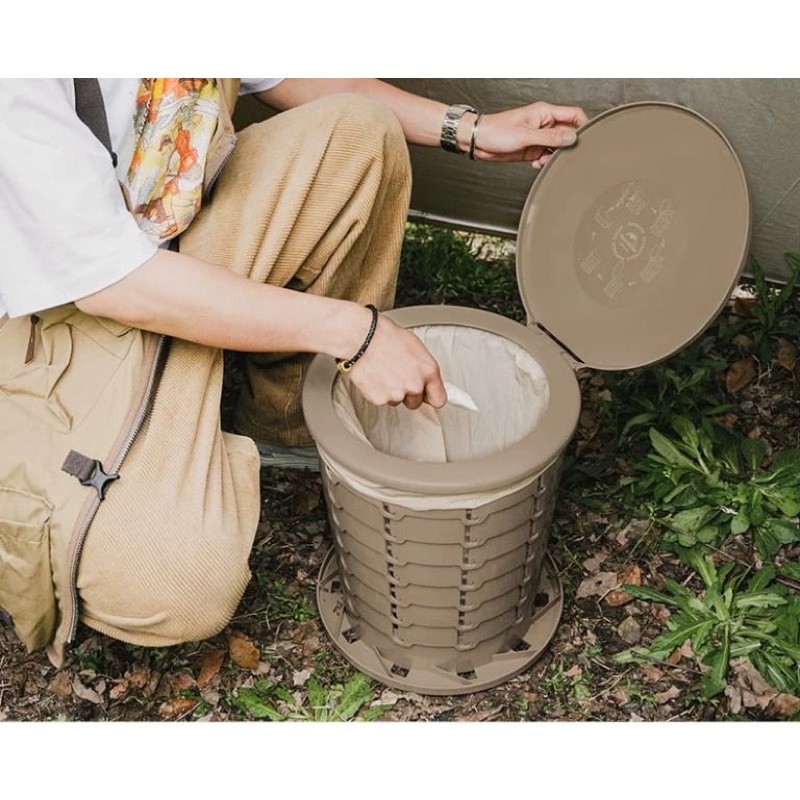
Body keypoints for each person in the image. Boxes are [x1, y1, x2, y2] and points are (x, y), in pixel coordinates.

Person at [0, 79, 588, 661]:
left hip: (167, 230)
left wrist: (471, 130)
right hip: (67, 310)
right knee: (181, 583)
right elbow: (113, 283)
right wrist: (352, 333)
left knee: (360, 134)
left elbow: (285, 72)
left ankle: (283, 425)